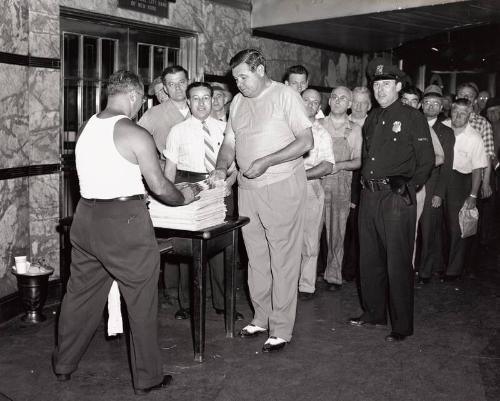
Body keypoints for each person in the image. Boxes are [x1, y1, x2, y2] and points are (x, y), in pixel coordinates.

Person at [52, 70, 198, 395]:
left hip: (86, 217)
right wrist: (185, 196)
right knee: (142, 300)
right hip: (124, 223)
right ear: (134, 96)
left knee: (79, 296)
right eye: (140, 101)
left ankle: (63, 364)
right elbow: (160, 186)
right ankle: (148, 378)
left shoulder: (87, 127)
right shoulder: (133, 131)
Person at [211, 49, 313, 353]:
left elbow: (306, 142)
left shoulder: (285, 96)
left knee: (282, 257)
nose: (238, 84)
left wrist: (267, 161)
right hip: (248, 188)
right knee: (256, 256)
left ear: (260, 69)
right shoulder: (239, 102)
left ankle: (281, 327)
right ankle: (261, 316)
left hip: (281, 185)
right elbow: (229, 143)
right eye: (235, 79)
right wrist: (220, 166)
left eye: (243, 77)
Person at [348, 59, 434, 342]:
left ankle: (401, 325)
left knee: (397, 262)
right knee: (369, 259)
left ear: (398, 86)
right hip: (369, 196)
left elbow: (426, 160)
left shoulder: (412, 117)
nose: (380, 89)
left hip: (395, 197)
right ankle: (373, 313)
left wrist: (409, 189)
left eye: (386, 84)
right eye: (376, 84)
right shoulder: (372, 118)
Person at [163, 81, 241, 320]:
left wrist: (227, 184)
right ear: (188, 102)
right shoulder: (178, 130)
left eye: (206, 98)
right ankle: (187, 305)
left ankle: (222, 302)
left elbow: (236, 164)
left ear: (213, 99)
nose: (201, 103)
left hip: (222, 188)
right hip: (190, 189)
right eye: (195, 99)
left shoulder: (226, 128)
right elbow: (170, 169)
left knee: (223, 247)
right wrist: (169, 200)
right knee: (189, 248)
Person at [320, 86, 362, 291]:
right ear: (329, 102)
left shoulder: (354, 129)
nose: (337, 101)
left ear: (350, 104)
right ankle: (305, 278)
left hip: (341, 185)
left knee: (337, 233)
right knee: (309, 233)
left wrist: (339, 166)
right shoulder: (317, 125)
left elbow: (358, 161)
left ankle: (333, 276)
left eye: (343, 98)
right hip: (315, 184)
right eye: (334, 97)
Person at [441, 98, 488, 280]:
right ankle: (438, 264)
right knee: (438, 225)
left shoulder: (474, 137)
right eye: (456, 111)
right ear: (450, 111)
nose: (458, 116)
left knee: (457, 228)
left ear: (470, 115)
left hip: (461, 181)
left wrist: (473, 195)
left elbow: (478, 169)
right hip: (439, 177)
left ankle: (453, 270)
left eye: (463, 113)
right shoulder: (442, 127)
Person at [400, 85, 445, 269]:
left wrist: (416, 168)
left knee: (411, 232)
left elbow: (440, 157)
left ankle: (406, 274)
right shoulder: (387, 121)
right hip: (389, 187)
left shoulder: (423, 126)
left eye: (413, 101)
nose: (409, 105)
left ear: (419, 105)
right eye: (405, 101)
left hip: (414, 187)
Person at [299, 89, 335, 299]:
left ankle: (305, 286)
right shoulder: (284, 126)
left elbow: (327, 166)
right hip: (282, 188)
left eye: (315, 102)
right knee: (284, 238)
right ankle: (284, 283)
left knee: (310, 240)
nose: (311, 105)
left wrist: (300, 175)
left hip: (309, 187)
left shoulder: (321, 133)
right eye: (306, 101)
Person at [417, 85, 455, 284]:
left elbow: (447, 167)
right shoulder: (414, 123)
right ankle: (411, 267)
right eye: (427, 103)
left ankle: (425, 271)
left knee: (429, 230)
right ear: (421, 105)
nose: (431, 107)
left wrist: (439, 194)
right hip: (412, 185)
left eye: (435, 104)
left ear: (441, 108)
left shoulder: (446, 132)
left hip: (432, 185)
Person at [342, 87, 371, 282]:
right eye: (356, 101)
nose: (358, 106)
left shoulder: (375, 123)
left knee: (358, 230)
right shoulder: (341, 122)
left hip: (363, 184)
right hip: (341, 179)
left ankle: (354, 271)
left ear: (369, 105)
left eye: (363, 102)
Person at [138, 65, 191, 153]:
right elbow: (136, 140)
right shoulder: (154, 113)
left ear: (188, 83)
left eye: (181, 82)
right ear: (166, 89)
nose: (177, 88)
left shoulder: (200, 109)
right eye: (171, 84)